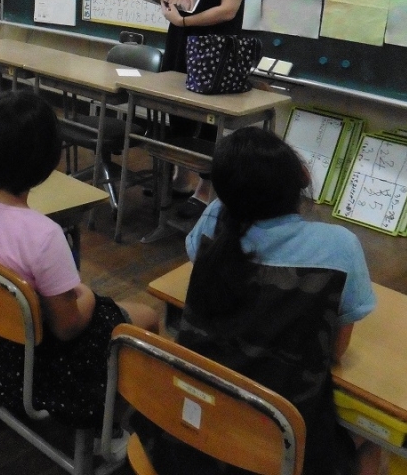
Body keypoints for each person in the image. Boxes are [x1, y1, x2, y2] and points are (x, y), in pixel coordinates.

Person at [132, 127, 381, 475]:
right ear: (301, 180)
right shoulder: (339, 247)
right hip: (278, 448)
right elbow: (336, 351)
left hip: (187, 433)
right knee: (372, 442)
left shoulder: (213, 218)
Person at [0, 90, 159, 434]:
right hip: (32, 361)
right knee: (147, 316)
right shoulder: (43, 235)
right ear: (46, 162)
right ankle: (117, 425)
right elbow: (67, 327)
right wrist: (87, 296)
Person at [161, 0, 254, 219]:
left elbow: (228, 10)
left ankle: (206, 188)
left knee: (207, 120)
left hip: (213, 47)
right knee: (176, 110)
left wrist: (185, 21)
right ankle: (182, 177)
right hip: (182, 36)